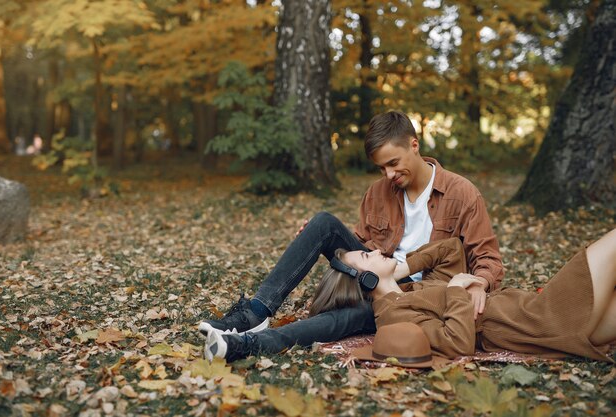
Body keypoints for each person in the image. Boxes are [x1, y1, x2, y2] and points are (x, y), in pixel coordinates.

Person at [199, 111, 503, 354]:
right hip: (378, 275)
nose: (389, 175)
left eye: (393, 164)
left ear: (414, 144)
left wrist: (479, 283)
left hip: (419, 297)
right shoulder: (378, 192)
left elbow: (488, 258)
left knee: (350, 318)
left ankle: (248, 346)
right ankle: (255, 313)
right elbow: (363, 244)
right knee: (321, 224)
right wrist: (317, 239)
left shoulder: (462, 193)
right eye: (382, 168)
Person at [206, 231, 616, 363]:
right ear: (364, 280)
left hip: (535, 312)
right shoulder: (394, 316)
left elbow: (452, 248)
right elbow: (458, 344)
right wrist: (456, 291)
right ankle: (245, 337)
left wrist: (468, 279)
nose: (374, 248)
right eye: (367, 255)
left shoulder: (408, 290)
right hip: (537, 317)